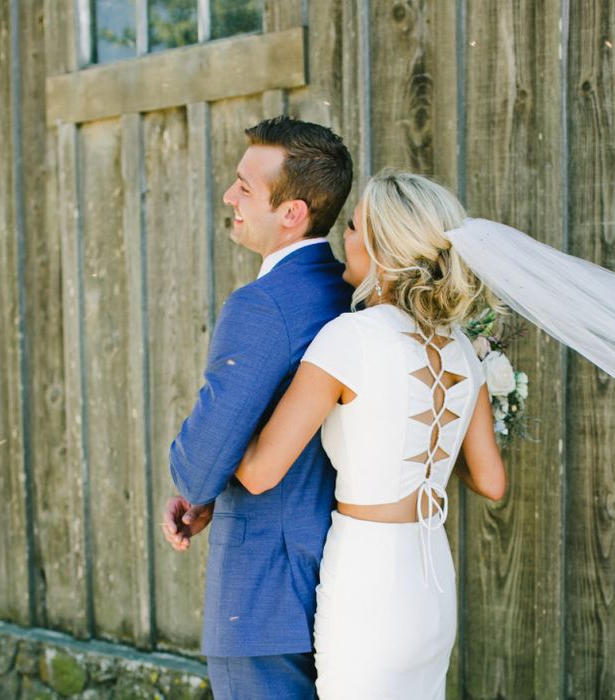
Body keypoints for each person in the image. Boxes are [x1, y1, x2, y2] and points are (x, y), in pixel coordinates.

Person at [234, 170, 507, 698]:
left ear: (384, 249)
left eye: (355, 228)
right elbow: (492, 481)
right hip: (432, 578)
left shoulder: (348, 338)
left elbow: (261, 473)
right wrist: (429, 459)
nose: (345, 241)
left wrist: (235, 413)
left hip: (369, 581)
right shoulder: (461, 350)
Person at [163, 115, 354, 699]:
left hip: (263, 594)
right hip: (336, 580)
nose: (230, 196)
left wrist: (199, 484)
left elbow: (199, 464)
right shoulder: (349, 294)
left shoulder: (263, 305)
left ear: (292, 213)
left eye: (245, 187)